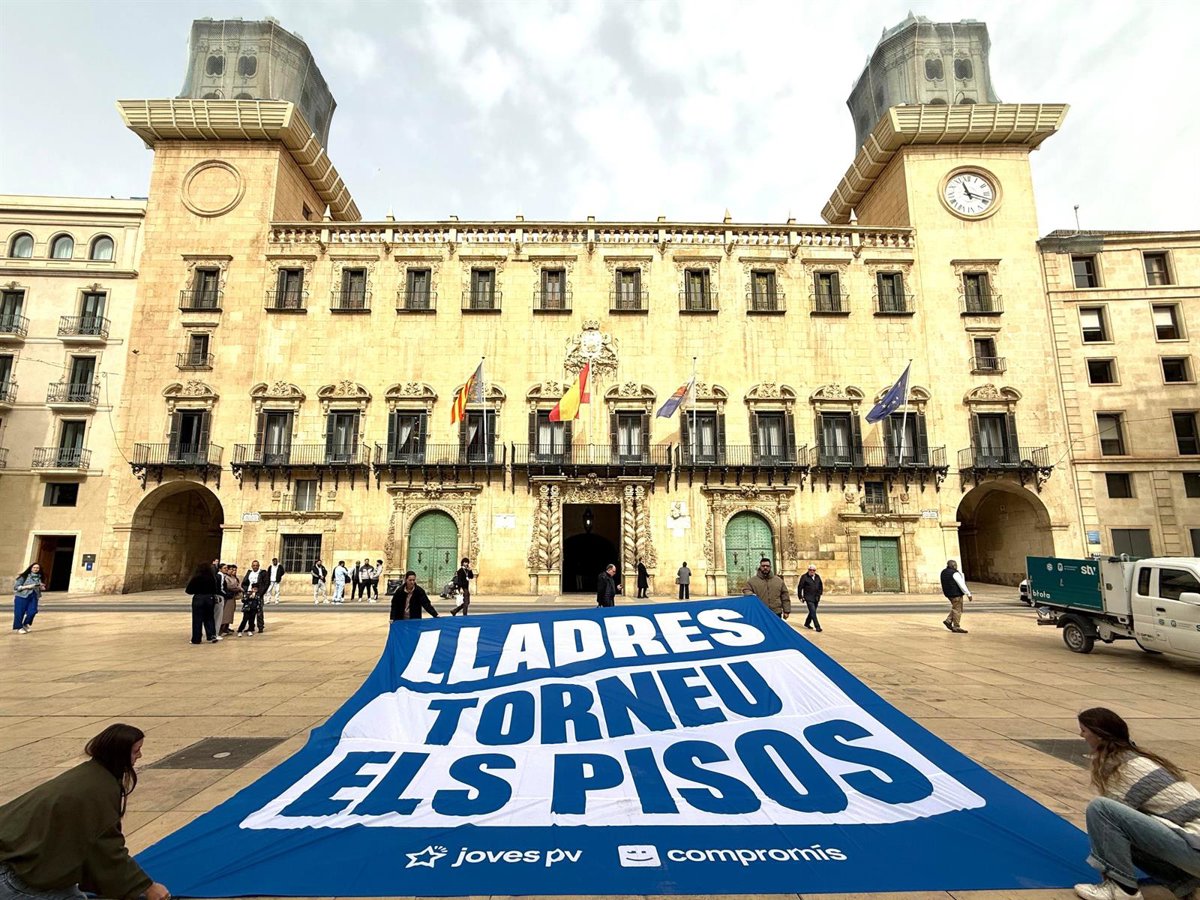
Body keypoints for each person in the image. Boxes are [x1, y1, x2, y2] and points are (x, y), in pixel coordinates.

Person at [0, 723, 172, 900]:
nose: (140, 756)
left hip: (17, 861)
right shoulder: (98, 789)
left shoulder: (91, 775)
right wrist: (147, 887)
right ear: (118, 753)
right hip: (13, 872)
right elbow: (107, 850)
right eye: (136, 751)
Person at [1073, 707, 1200, 900]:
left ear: (1099, 735)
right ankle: (1182, 883)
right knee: (1124, 828)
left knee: (1101, 809)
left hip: (1195, 846)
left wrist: (1108, 872)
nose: (1081, 735)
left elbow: (1108, 827)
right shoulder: (1134, 758)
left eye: (1084, 730)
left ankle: (1122, 889)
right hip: (1193, 844)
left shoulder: (1123, 766)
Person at [184, 561, 221, 645]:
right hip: (209, 598)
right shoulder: (211, 578)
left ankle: (196, 639)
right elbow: (215, 589)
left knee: (197, 619)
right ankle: (211, 635)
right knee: (209, 617)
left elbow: (188, 590)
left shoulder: (196, 577)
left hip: (198, 598)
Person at [940, 559, 972, 634]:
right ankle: (956, 626)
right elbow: (961, 584)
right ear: (953, 566)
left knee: (956, 608)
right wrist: (968, 594)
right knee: (958, 610)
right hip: (956, 594)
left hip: (948, 594)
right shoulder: (955, 573)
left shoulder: (943, 572)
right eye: (955, 565)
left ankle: (948, 621)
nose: (956, 566)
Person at [12, 563, 43, 634]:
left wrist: (41, 587)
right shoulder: (24, 576)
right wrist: (27, 587)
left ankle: (25, 624)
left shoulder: (39, 577)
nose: (36, 569)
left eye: (37, 568)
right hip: (21, 596)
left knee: (33, 611)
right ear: (31, 568)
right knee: (19, 612)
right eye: (34, 567)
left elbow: (37, 586)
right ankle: (19, 627)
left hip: (34, 596)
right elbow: (16, 587)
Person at [242, 560, 268, 634]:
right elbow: (245, 583)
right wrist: (246, 591)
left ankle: (260, 627)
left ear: (259, 566)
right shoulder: (249, 573)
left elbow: (266, 583)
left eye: (256, 565)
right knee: (249, 611)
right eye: (254, 565)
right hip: (249, 593)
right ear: (252, 566)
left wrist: (260, 593)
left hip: (258, 594)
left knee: (259, 611)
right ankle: (251, 626)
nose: (255, 567)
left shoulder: (263, 573)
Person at [798, 564, 824, 632]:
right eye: (810, 570)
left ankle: (807, 623)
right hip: (808, 597)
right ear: (808, 570)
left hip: (816, 597)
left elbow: (820, 585)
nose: (812, 571)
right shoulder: (804, 577)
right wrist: (800, 596)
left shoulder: (817, 577)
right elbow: (800, 587)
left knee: (812, 611)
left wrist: (820, 593)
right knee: (813, 612)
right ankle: (817, 627)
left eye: (813, 570)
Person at [219, 564, 240, 636]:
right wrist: (237, 588)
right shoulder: (225, 577)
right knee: (225, 614)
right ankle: (221, 628)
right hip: (227, 597)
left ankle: (226, 627)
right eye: (230, 569)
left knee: (230, 614)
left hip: (232, 597)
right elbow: (230, 586)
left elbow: (237, 584)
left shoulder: (233, 577)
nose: (232, 571)